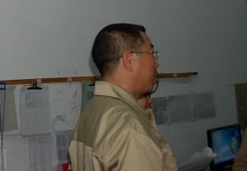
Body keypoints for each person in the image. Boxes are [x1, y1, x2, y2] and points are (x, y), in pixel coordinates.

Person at [69, 23, 177, 171]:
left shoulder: (93, 110)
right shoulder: (131, 129)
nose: (156, 64)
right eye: (152, 53)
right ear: (129, 60)